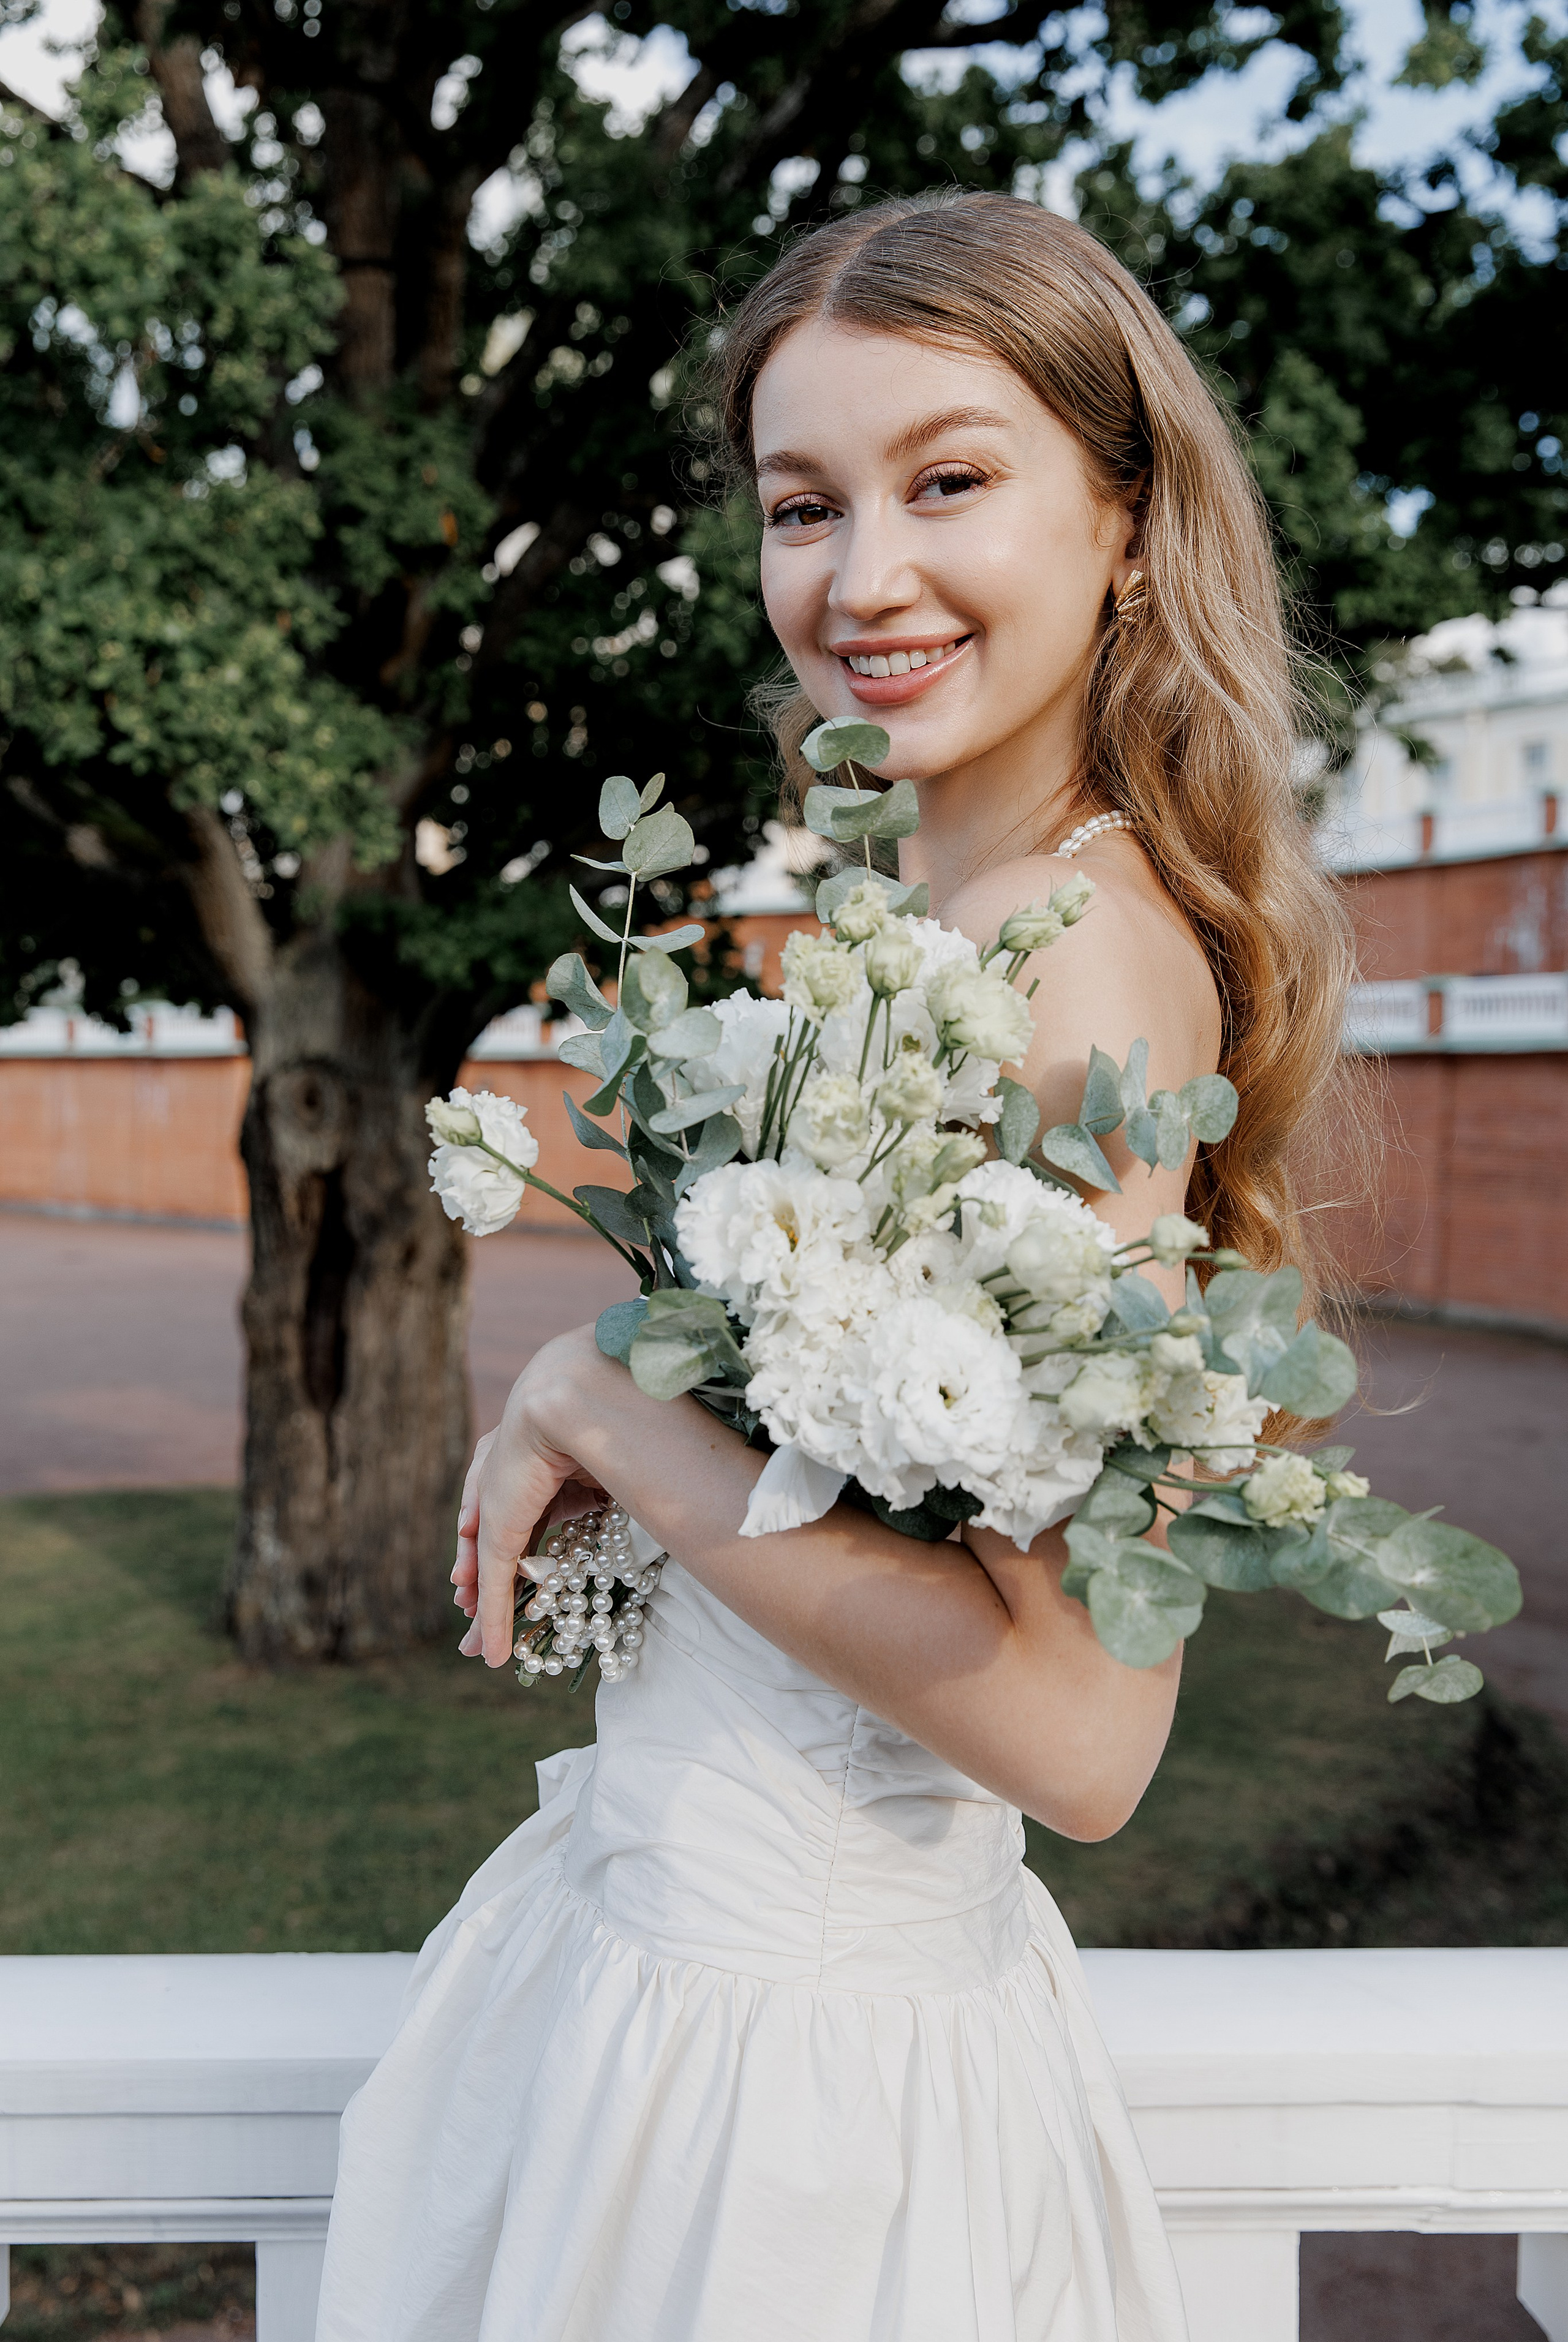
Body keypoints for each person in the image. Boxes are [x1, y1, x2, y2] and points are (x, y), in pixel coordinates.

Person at [315, 192, 1354, 2342]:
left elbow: (1080, 1735)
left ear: (1132, 518)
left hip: (796, 2139)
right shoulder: (951, 929)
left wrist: (596, 1396)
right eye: (806, 504)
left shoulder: (1082, 995)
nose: (862, 577)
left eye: (950, 480)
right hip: (684, 2000)